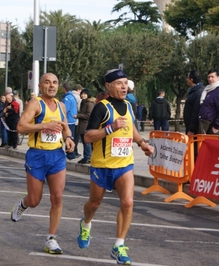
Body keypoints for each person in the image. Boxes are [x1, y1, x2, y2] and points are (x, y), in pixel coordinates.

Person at [77, 69, 154, 265]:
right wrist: (110, 128)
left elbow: (132, 129)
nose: (123, 87)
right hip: (102, 165)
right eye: (119, 83)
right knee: (94, 204)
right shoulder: (101, 108)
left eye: (125, 83)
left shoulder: (129, 105)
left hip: (124, 164)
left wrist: (142, 143)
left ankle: (119, 245)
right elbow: (87, 136)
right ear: (108, 86)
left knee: (128, 202)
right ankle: (85, 224)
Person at [10, 72, 75, 255]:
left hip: (56, 156)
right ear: (40, 86)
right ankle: (23, 204)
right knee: (35, 200)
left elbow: (64, 126)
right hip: (37, 156)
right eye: (47, 82)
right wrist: (43, 126)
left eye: (55, 82)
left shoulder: (61, 105)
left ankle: (51, 238)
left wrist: (68, 137)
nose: (52, 85)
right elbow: (21, 127)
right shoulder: (35, 104)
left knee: (57, 197)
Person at [199, 68, 219, 135]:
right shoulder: (210, 89)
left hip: (215, 128)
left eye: (212, 77)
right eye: (208, 77)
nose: (210, 79)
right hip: (208, 125)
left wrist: (216, 126)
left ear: (218, 77)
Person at [75, 89, 95, 164]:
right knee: (84, 142)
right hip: (82, 125)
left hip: (86, 125)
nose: (83, 95)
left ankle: (88, 157)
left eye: (85, 94)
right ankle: (86, 156)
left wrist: (78, 116)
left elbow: (88, 115)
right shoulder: (83, 103)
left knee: (87, 142)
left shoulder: (89, 104)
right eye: (82, 94)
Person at [184, 70, 204, 136]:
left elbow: (196, 112)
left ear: (191, 80)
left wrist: (191, 129)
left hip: (194, 129)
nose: (186, 80)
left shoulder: (198, 92)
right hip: (189, 126)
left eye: (187, 78)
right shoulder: (193, 91)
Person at [62, 82, 78, 160]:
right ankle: (71, 152)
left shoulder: (67, 98)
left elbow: (65, 110)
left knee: (68, 137)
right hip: (72, 120)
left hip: (68, 120)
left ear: (64, 89)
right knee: (71, 137)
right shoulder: (72, 97)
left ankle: (70, 153)